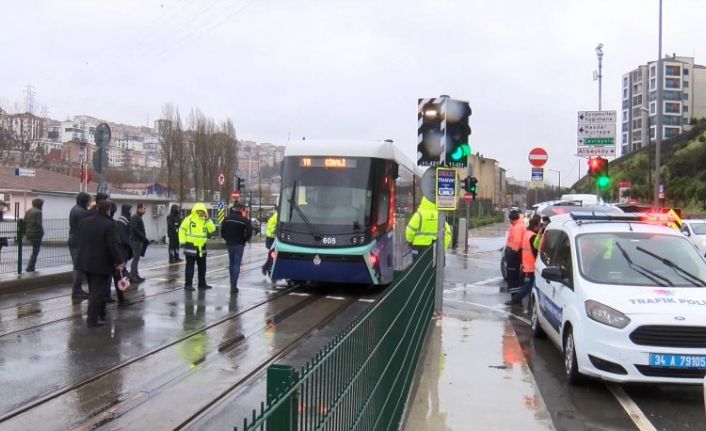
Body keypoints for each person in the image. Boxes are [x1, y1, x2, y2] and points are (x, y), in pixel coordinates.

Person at [74, 200, 124, 327]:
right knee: (97, 291)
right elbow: (112, 245)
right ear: (108, 210)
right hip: (101, 263)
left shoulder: (85, 221)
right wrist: (118, 261)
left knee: (95, 289)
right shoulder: (109, 224)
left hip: (85, 261)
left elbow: (78, 239)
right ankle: (92, 319)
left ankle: (101, 313)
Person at [178, 203, 216, 291]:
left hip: (202, 247)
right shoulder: (188, 220)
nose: (201, 213)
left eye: (202, 211)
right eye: (199, 211)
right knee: (190, 267)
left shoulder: (205, 220)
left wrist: (207, 219)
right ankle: (188, 284)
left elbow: (212, 229)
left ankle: (202, 283)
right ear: (196, 211)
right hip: (190, 246)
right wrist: (182, 242)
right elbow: (182, 230)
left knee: (202, 267)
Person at [506, 216, 541, 306]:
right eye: (539, 226)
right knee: (529, 286)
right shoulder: (533, 236)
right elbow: (535, 251)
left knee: (528, 285)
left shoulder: (527, 233)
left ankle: (528, 304)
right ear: (535, 227)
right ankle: (516, 299)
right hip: (532, 265)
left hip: (526, 264)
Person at [221, 203, 252, 292]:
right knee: (236, 264)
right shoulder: (245, 220)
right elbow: (249, 233)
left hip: (230, 243)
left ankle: (232, 283)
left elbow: (222, 231)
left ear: (234, 209)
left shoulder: (227, 219)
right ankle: (234, 285)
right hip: (239, 244)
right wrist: (244, 240)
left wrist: (227, 239)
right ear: (242, 210)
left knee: (231, 263)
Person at [107, 201, 133, 307]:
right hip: (118, 253)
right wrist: (118, 259)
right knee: (119, 275)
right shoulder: (117, 222)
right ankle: (120, 299)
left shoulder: (115, 222)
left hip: (108, 254)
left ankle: (108, 297)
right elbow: (117, 241)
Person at [69, 192, 92, 298]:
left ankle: (77, 288)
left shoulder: (75, 209)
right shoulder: (81, 212)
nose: (89, 203)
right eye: (89, 201)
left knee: (78, 265)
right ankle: (76, 289)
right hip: (78, 241)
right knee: (78, 266)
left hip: (74, 239)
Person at [504, 210, 525, 293]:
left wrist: (513, 252)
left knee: (512, 276)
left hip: (514, 254)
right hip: (515, 253)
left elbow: (517, 241)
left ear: (511, 219)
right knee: (513, 275)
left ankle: (515, 297)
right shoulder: (517, 225)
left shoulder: (517, 227)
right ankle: (515, 296)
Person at [129, 203, 148, 283]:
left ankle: (136, 275)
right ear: (139, 209)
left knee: (137, 258)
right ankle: (133, 276)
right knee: (136, 259)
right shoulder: (135, 217)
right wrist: (142, 237)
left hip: (138, 240)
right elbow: (134, 228)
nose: (145, 210)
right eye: (144, 208)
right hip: (135, 240)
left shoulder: (138, 217)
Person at [24, 198, 44, 273]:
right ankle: (31, 266)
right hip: (36, 233)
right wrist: (42, 232)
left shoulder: (28, 211)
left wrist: (24, 233)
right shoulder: (38, 212)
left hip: (29, 233)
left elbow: (24, 222)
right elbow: (39, 224)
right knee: (36, 250)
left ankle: (31, 266)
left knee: (34, 250)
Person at [116, 203, 133, 276]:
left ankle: (124, 270)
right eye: (130, 210)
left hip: (125, 242)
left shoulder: (126, 218)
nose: (131, 211)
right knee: (123, 257)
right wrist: (128, 243)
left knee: (125, 257)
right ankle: (123, 271)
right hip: (124, 243)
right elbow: (123, 232)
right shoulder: (123, 220)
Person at [261, 206, 278, 276]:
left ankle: (267, 268)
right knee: (273, 255)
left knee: (274, 256)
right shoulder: (278, 216)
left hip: (270, 238)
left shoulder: (275, 215)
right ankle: (267, 268)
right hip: (272, 238)